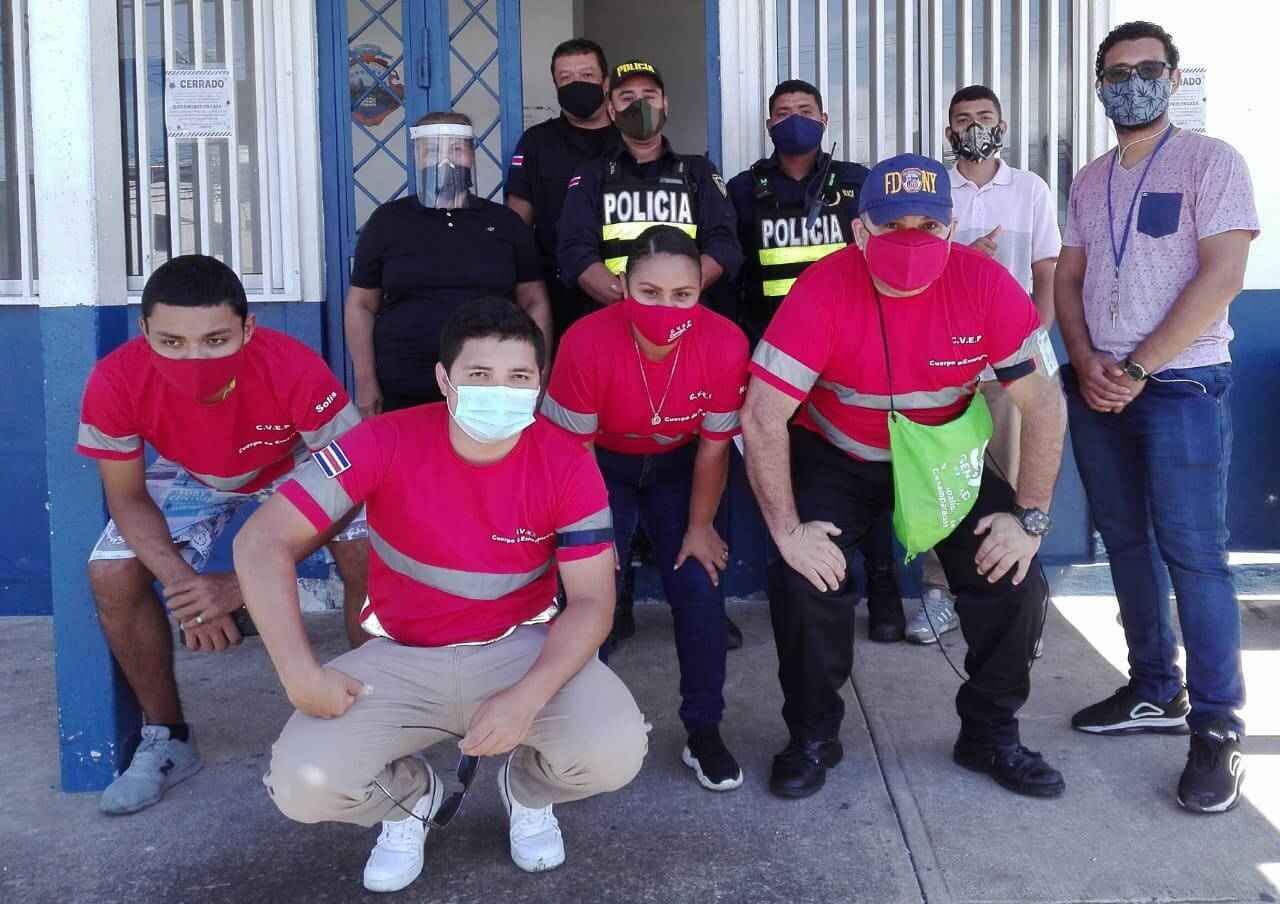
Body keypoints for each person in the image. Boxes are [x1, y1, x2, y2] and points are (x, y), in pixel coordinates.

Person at [233, 298, 649, 893]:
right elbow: (262, 540)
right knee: (304, 785)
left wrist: (528, 696)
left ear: (539, 383)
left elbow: (592, 602)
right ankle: (410, 800)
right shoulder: (383, 440)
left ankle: (527, 791)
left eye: (519, 376)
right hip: (401, 655)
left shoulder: (568, 464)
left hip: (519, 649)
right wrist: (300, 675)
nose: (500, 391)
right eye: (479, 374)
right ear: (443, 379)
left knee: (614, 751)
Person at [742, 153, 1068, 801]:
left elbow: (1045, 405)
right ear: (859, 231)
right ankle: (813, 734)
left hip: (943, 456)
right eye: (893, 226)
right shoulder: (821, 286)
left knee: (1014, 576)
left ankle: (991, 734)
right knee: (805, 579)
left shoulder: (987, 283)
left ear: (952, 227)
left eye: (928, 224)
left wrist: (1029, 519)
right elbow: (761, 414)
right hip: (841, 455)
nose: (912, 241)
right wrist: (787, 530)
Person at [77, 255, 370, 815]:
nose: (194, 359)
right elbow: (127, 495)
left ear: (247, 328)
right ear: (145, 331)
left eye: (215, 340)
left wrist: (241, 584)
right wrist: (184, 589)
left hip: (293, 463)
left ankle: (377, 721)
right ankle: (168, 739)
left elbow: (352, 477)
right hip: (191, 471)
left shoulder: (293, 366)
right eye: (172, 342)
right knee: (111, 572)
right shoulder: (115, 377)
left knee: (366, 552)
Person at [1055, 21, 1257, 814]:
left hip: (1180, 386)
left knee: (1195, 557)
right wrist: (1085, 360)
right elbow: (1068, 278)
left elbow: (1224, 274)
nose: (1130, 83)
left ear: (1172, 79)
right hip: (1101, 388)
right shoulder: (1088, 180)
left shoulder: (1213, 162)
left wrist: (1139, 367)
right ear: (1099, 86)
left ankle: (1217, 725)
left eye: (1146, 69)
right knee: (1126, 544)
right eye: (1116, 73)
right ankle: (1153, 688)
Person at [542, 225, 748, 792]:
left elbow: (714, 448)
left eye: (682, 294)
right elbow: (575, 453)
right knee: (591, 596)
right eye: (649, 292)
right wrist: (595, 536)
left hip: (681, 468)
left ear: (700, 290)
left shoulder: (725, 341)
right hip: (599, 468)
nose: (665, 308)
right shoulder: (586, 340)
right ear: (623, 286)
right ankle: (582, 731)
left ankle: (703, 731)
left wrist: (700, 527)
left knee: (700, 589)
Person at [726, 78, 905, 644]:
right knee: (795, 474)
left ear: (824, 120)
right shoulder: (744, 189)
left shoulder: (858, 183)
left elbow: (891, 254)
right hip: (776, 358)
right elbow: (733, 275)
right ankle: (815, 583)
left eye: (804, 110)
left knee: (871, 473)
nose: (794, 120)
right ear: (768, 126)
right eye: (782, 113)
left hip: (854, 355)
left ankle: (884, 589)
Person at [911, 84, 1062, 646]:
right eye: (962, 119)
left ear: (1002, 126)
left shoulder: (1029, 189)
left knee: (1013, 482)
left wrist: (1033, 344)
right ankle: (939, 594)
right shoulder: (933, 190)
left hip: (1008, 369)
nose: (973, 126)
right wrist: (960, 259)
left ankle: (1018, 602)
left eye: (984, 116)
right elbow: (914, 269)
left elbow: (1046, 273)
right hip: (943, 365)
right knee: (941, 480)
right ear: (948, 131)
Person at [346, 112, 552, 416]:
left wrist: (538, 374)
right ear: (416, 157)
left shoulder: (505, 223)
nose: (445, 161)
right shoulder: (388, 221)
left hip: (489, 384)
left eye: (457, 149)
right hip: (405, 383)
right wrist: (365, 382)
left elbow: (535, 301)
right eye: (432, 150)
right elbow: (361, 305)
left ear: (472, 155)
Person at [556, 58, 743, 309]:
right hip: (615, 313)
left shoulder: (698, 172)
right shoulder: (591, 175)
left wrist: (679, 294)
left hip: (685, 315)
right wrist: (629, 301)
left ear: (665, 105)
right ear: (611, 110)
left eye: (649, 96)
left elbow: (723, 245)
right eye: (627, 97)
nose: (640, 104)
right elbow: (574, 249)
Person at [506, 38, 621, 345]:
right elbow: (516, 224)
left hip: (625, 287)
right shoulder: (536, 142)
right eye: (566, 78)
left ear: (605, 82)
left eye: (586, 75)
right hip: (559, 292)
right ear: (556, 86)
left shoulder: (633, 138)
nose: (576, 84)